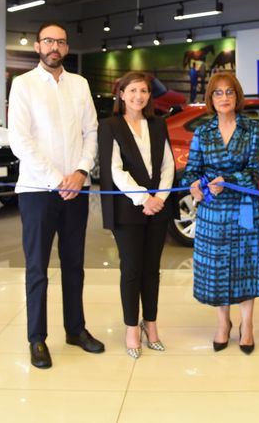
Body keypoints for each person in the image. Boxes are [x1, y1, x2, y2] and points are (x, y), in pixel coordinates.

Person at [8, 22, 105, 369]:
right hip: (37, 191)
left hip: (76, 190)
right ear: (37, 46)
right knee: (37, 268)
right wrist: (56, 179)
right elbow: (20, 140)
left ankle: (75, 330)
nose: (55, 47)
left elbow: (91, 132)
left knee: (74, 265)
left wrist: (80, 172)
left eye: (61, 42)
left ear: (66, 48)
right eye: (48, 41)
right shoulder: (23, 85)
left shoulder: (79, 84)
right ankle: (37, 339)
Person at [181, 72, 259, 354]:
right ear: (210, 98)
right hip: (212, 212)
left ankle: (247, 325)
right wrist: (195, 185)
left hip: (244, 209)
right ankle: (223, 324)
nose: (224, 98)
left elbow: (255, 171)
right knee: (218, 269)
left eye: (229, 92)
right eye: (218, 93)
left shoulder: (253, 129)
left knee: (245, 266)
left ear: (237, 96)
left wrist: (227, 182)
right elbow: (191, 171)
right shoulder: (203, 132)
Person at [98, 72, 177, 359]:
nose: (138, 96)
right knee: (131, 270)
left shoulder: (157, 124)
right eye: (132, 91)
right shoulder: (110, 126)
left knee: (151, 270)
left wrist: (160, 198)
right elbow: (114, 170)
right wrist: (144, 197)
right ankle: (132, 327)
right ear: (121, 94)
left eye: (143, 91)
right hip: (128, 209)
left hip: (158, 207)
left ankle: (151, 324)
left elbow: (168, 164)